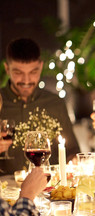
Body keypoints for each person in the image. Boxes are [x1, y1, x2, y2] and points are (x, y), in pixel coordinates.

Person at [0, 38, 80, 175]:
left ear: (41, 67)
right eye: (18, 72)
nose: (26, 80)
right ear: (7, 68)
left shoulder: (55, 103)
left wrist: (76, 161)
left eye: (33, 72)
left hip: (49, 189)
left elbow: (72, 152)